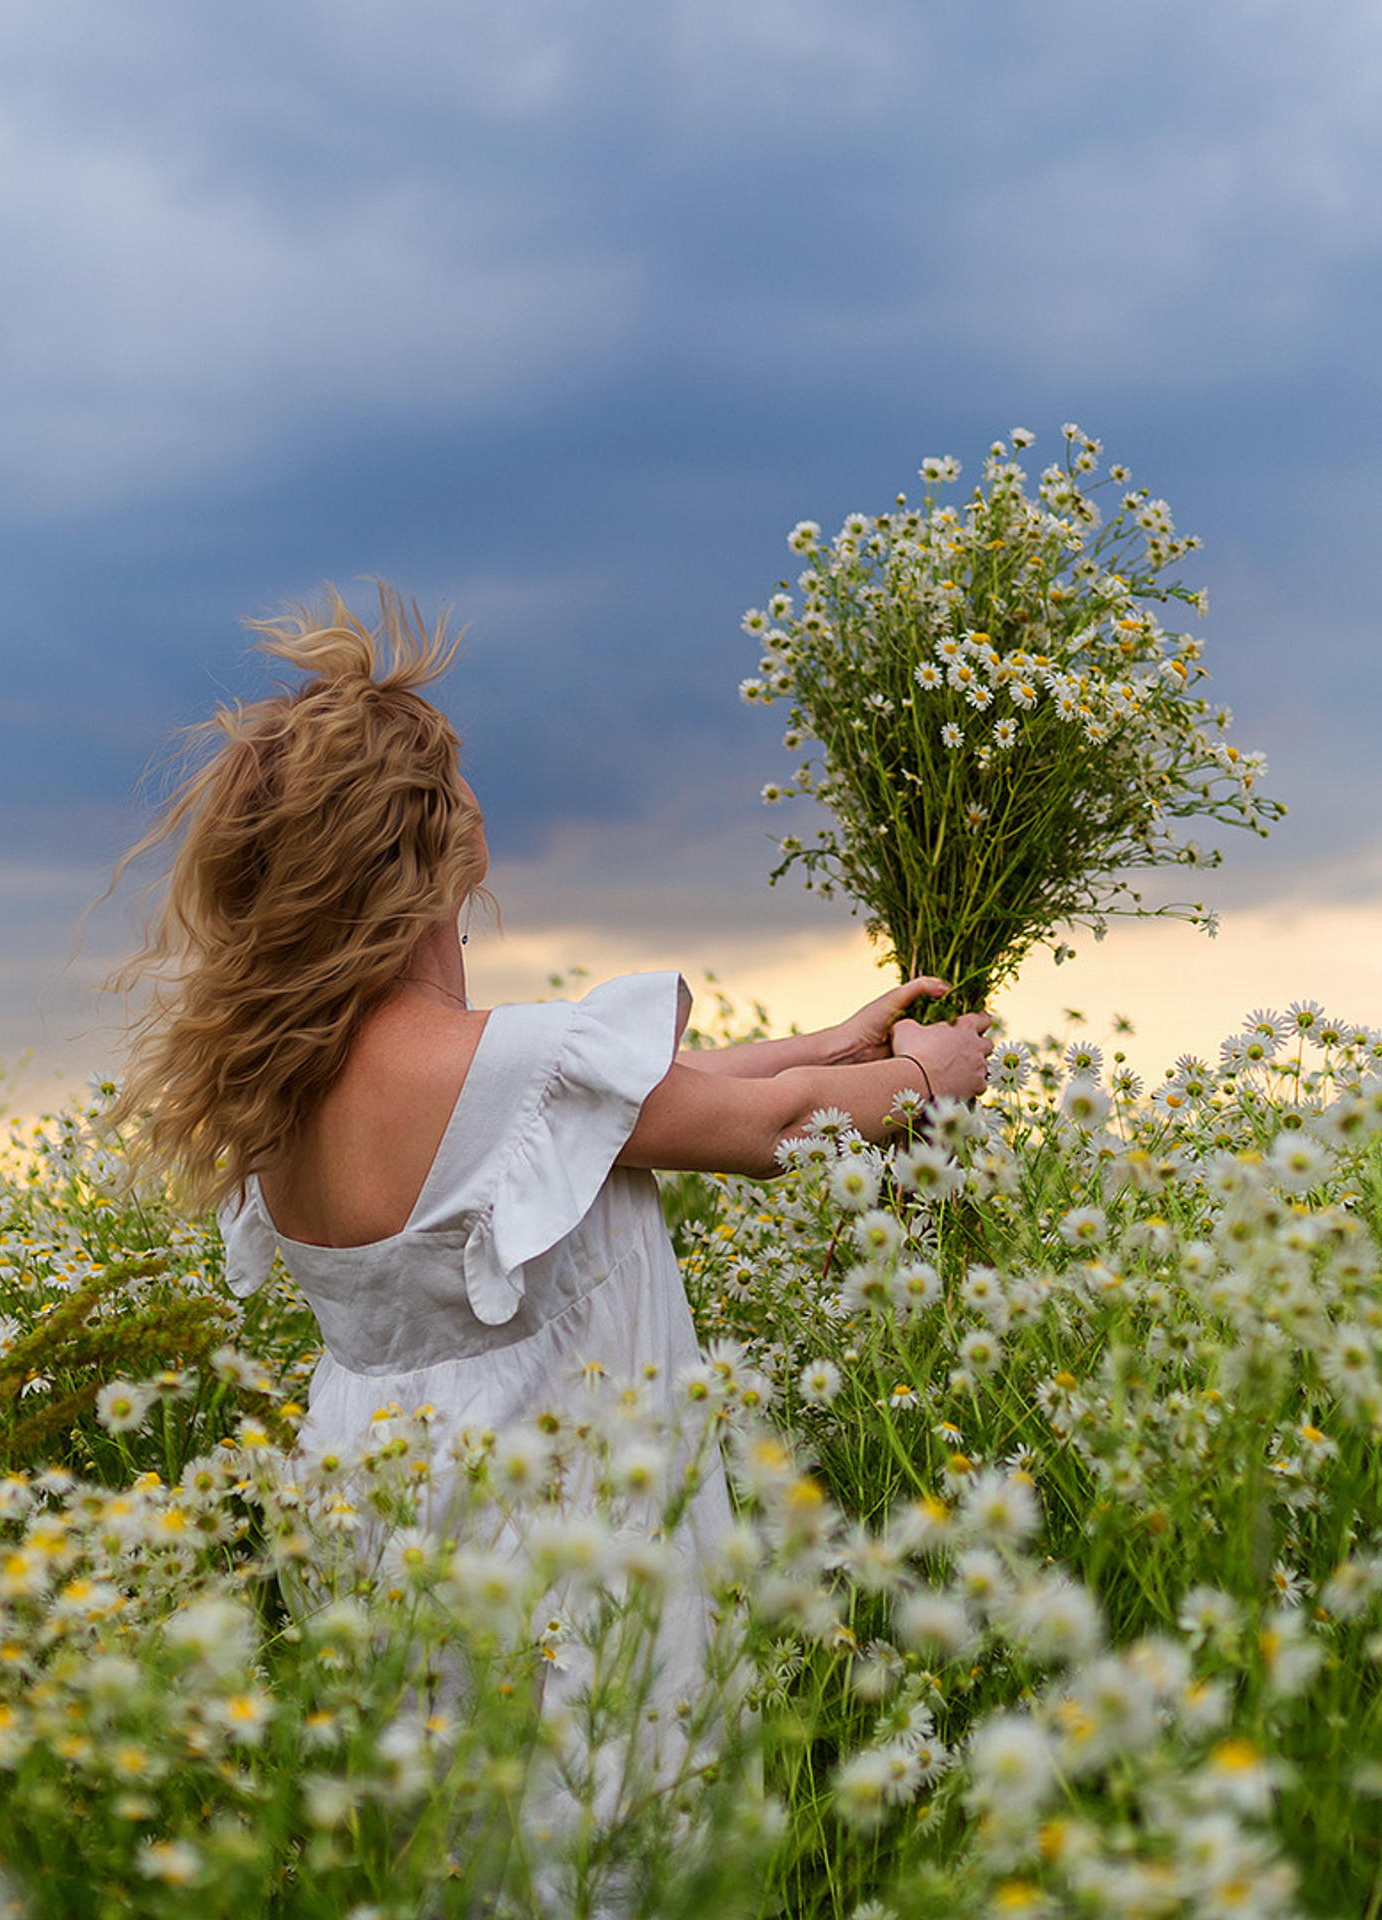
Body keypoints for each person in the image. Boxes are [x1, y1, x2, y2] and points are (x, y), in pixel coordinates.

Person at [107, 583, 993, 1856]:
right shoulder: (493, 1065)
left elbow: (625, 1113)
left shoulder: (287, 1090)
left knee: (440, 1843)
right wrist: (925, 1078)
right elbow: (750, 1131)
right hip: (555, 1514)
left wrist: (828, 1042)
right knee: (593, 1820)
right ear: (432, 857)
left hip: (381, 1515)